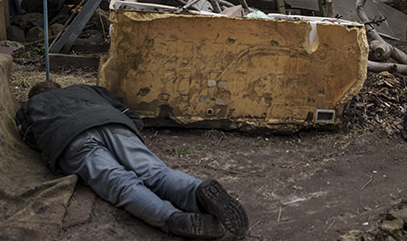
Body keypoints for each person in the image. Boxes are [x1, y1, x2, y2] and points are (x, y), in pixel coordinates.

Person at [15, 81, 248, 239]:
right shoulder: (87, 89)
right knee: (156, 172)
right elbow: (128, 113)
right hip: (112, 123)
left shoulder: (31, 106)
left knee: (119, 182)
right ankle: (196, 192)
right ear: (59, 85)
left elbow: (30, 138)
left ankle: (171, 218)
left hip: (70, 138)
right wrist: (129, 131)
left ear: (35, 96)